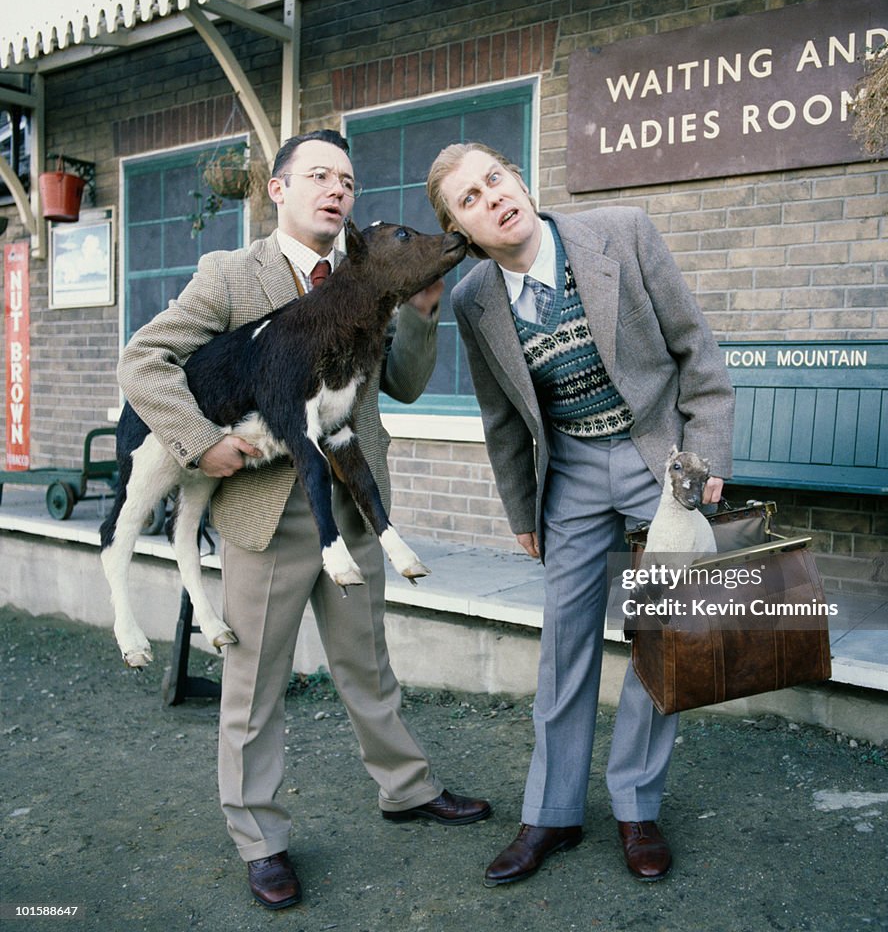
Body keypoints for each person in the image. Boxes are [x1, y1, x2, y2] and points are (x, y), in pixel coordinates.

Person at [118, 130, 490, 910]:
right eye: (318, 175)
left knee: (368, 663)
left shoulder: (372, 274)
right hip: (263, 515)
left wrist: (422, 309)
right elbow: (143, 360)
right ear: (279, 189)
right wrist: (199, 440)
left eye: (346, 181)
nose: (336, 189)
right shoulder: (229, 275)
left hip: (351, 505)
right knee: (254, 684)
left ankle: (407, 789)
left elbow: (406, 385)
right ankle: (259, 838)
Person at [426, 143, 734, 886]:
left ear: (519, 178)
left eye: (495, 179)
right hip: (569, 473)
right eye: (470, 199)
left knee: (663, 635)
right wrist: (520, 509)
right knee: (565, 645)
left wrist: (705, 456)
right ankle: (552, 813)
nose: (493, 199)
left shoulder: (622, 233)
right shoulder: (473, 299)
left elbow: (697, 353)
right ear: (460, 230)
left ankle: (636, 806)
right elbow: (501, 417)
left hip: (658, 459)